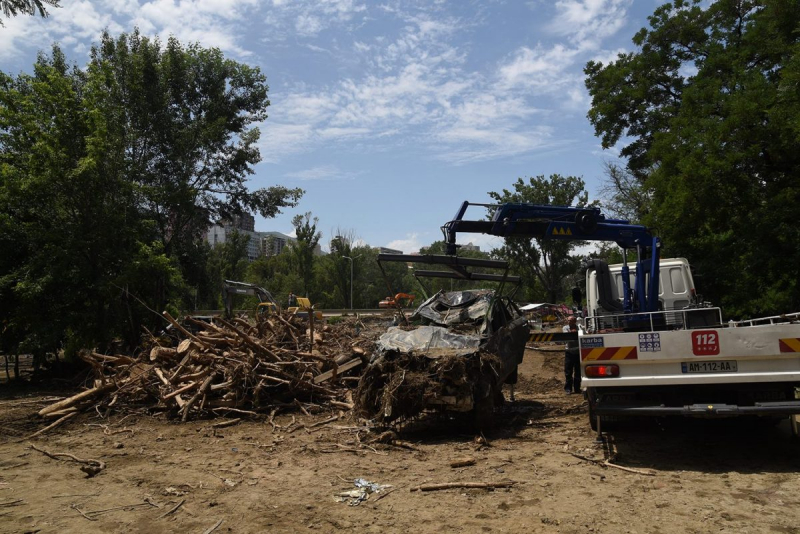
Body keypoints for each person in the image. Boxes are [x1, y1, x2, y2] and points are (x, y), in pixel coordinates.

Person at [563, 316, 581, 395]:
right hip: (569, 352)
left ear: (574, 321)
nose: (569, 322)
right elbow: (567, 336)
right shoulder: (565, 328)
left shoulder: (579, 327)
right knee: (568, 371)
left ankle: (577, 388)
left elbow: (581, 334)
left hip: (578, 351)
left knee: (578, 371)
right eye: (568, 320)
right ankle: (568, 388)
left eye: (571, 320)